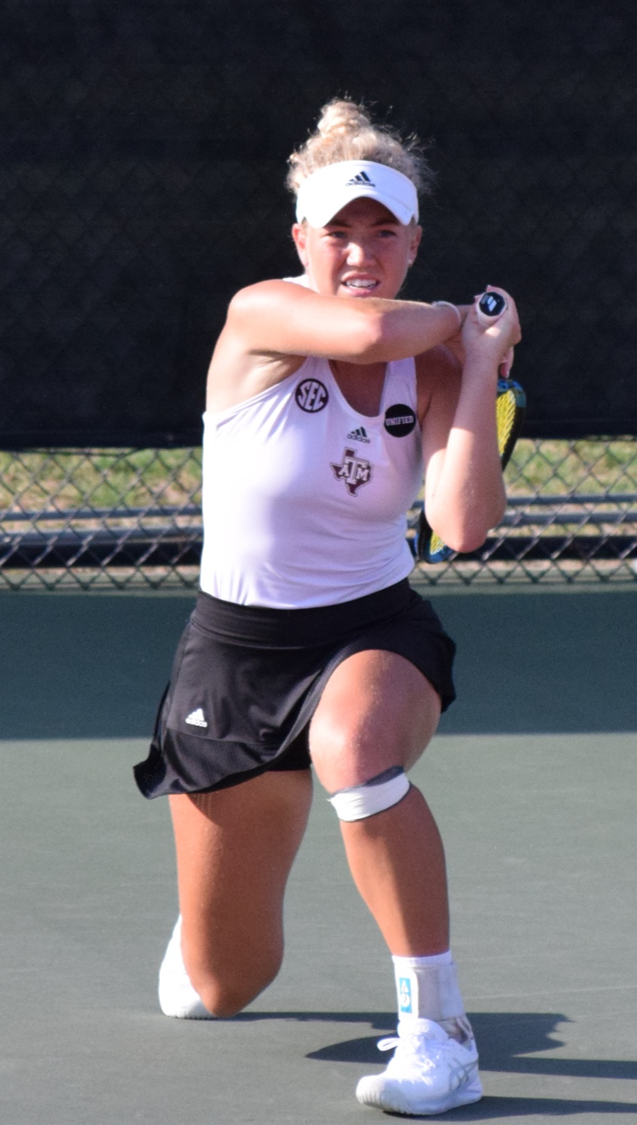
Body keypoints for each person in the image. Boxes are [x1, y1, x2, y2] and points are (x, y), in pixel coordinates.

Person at [132, 99, 518, 1116]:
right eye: (336, 230)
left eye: (380, 230)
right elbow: (359, 327)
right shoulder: (263, 313)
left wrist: (475, 370)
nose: (358, 250)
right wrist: (468, 319)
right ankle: (208, 930)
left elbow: (463, 523)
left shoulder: (431, 362)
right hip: (233, 659)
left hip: (368, 630)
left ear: (411, 241)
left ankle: (438, 1034)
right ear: (300, 238)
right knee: (221, 986)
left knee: (355, 748)